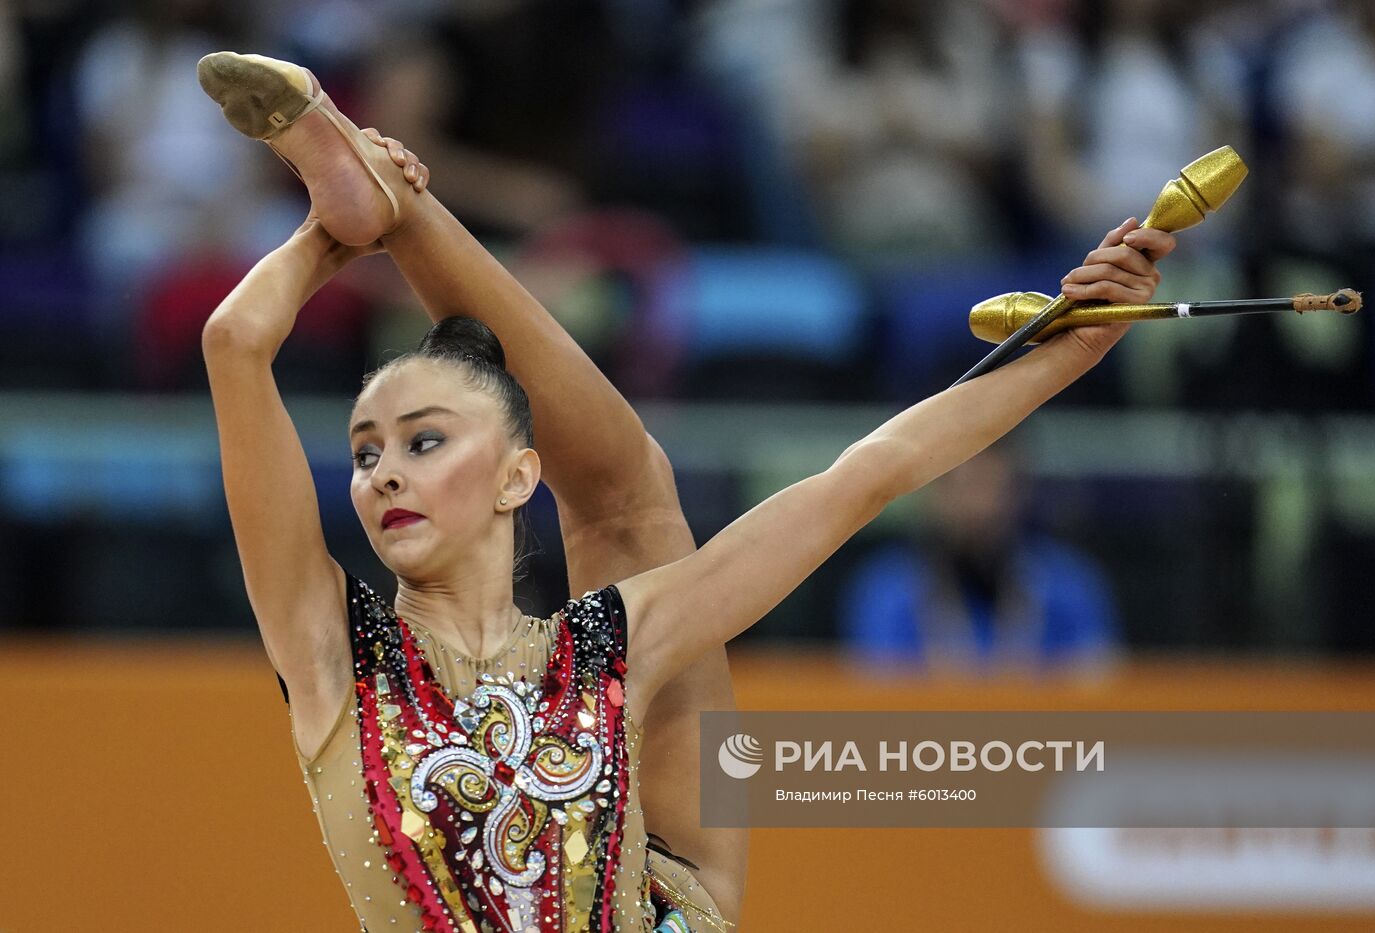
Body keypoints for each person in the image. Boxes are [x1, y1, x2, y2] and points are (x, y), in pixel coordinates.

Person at [198, 52, 1174, 931]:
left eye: (423, 441)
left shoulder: (604, 645)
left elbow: (866, 477)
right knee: (627, 501)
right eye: (365, 454)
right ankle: (396, 210)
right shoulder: (337, 655)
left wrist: (1072, 349)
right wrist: (324, 234)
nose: (384, 473)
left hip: (666, 897)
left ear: (516, 476)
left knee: (628, 500)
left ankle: (399, 211)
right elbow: (233, 342)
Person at [841, 443, 1121, 672]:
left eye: (992, 488)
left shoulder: (1070, 584)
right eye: (964, 487)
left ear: (1019, 492)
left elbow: (1098, 690)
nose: (979, 509)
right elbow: (879, 695)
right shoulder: (887, 589)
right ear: (932, 493)